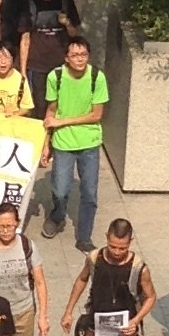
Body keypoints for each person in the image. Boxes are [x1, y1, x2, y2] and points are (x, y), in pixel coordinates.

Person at [44, 32, 110, 246]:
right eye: (75, 55)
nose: (80, 59)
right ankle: (57, 215)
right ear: (66, 57)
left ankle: (84, 236)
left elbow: (96, 114)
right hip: (63, 143)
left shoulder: (96, 77)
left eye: (84, 54)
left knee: (89, 193)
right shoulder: (56, 77)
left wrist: (62, 122)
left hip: (89, 142)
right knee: (61, 190)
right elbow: (51, 112)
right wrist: (46, 144)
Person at [0, 195, 50, 336]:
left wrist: (43, 317)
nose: (5, 231)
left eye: (9, 226)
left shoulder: (27, 246)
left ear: (17, 224)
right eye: (0, 226)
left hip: (23, 313)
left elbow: (40, 282)